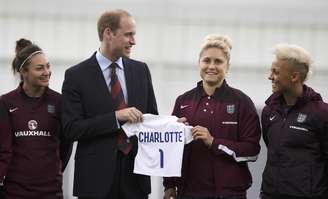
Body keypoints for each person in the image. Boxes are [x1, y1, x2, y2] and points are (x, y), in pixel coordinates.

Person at [61, 9, 158, 199]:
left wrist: (173, 125)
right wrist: (115, 118)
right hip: (94, 180)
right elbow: (71, 129)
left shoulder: (141, 70)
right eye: (128, 34)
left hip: (136, 178)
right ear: (108, 33)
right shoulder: (76, 76)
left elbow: (150, 118)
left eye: (134, 35)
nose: (133, 41)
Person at [163, 34, 261, 199]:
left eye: (218, 61)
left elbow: (252, 151)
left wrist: (214, 142)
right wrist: (169, 184)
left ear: (227, 66)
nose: (211, 66)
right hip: (188, 193)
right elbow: (170, 147)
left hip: (229, 195)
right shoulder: (183, 101)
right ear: (199, 63)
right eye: (207, 60)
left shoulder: (242, 102)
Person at [0, 38, 72, 199]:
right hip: (14, 193)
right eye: (39, 68)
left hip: (50, 192)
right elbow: (4, 150)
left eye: (48, 66)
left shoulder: (59, 102)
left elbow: (66, 147)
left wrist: (53, 171)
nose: (46, 72)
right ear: (23, 72)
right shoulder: (6, 103)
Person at [260, 44, 328, 199]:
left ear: (294, 77)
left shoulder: (322, 113)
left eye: (275, 72)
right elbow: (271, 145)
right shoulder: (269, 111)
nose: (270, 76)